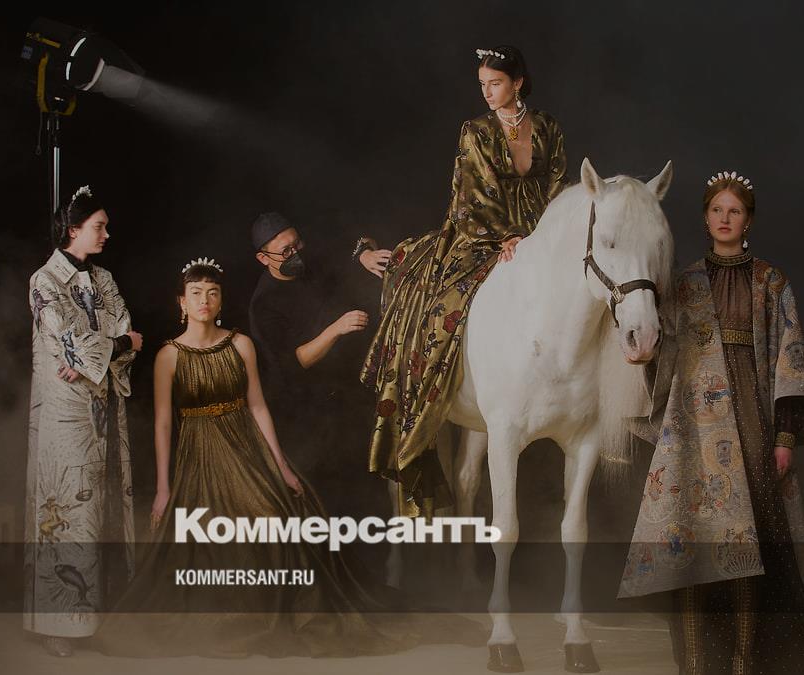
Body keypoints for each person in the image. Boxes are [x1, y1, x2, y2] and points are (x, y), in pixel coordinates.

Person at [94, 259, 481, 657]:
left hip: (246, 446)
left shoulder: (240, 344)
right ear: (182, 302)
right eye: (195, 294)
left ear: (221, 300)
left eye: (212, 293)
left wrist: (281, 466)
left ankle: (278, 612)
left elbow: (258, 407)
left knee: (278, 514)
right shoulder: (169, 356)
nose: (204, 301)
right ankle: (232, 619)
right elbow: (162, 423)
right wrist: (163, 489)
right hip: (200, 455)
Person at [619, 172, 804, 674]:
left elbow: (790, 363)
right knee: (693, 542)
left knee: (746, 544)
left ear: (747, 220)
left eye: (734, 211)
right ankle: (697, 660)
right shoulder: (683, 284)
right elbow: (661, 356)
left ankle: (744, 661)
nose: (724, 219)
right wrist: (640, 359)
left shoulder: (771, 282)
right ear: (705, 217)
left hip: (752, 423)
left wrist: (784, 438)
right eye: (716, 210)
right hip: (695, 431)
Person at [360, 44, 567, 516]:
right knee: (443, 309)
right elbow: (476, 196)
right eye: (482, 85)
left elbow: (558, 185)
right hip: (481, 235)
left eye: (495, 83)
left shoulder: (549, 127)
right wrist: (506, 237)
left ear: (517, 82)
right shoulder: (475, 130)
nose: (487, 92)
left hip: (539, 236)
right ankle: (424, 388)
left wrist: (542, 237)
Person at [24, 185, 143, 657]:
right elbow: (70, 339)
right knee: (66, 509)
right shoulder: (44, 280)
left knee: (100, 508)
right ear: (73, 230)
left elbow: (122, 328)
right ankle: (58, 625)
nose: (106, 234)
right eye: (99, 226)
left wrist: (100, 351)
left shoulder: (105, 278)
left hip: (104, 407)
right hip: (65, 414)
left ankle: (98, 616)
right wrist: (109, 347)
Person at [247, 212, 385, 515]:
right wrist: (336, 329)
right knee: (335, 500)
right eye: (285, 251)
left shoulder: (310, 260)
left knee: (371, 487)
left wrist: (365, 254)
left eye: (296, 244)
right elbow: (295, 362)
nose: (295, 253)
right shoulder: (264, 305)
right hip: (309, 414)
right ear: (263, 258)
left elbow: (356, 243)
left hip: (350, 395)